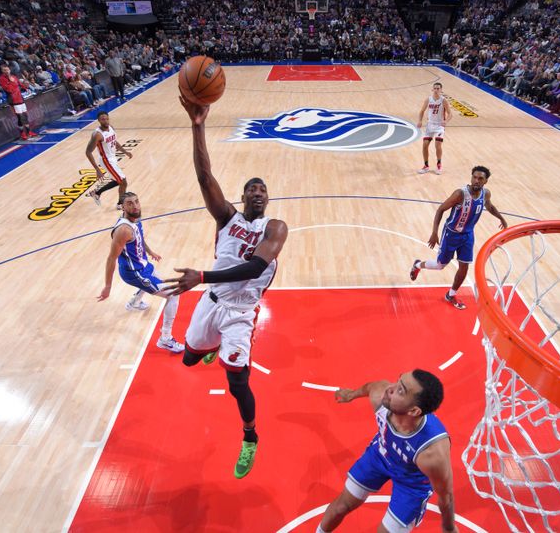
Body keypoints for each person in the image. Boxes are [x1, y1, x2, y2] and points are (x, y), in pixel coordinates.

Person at [163, 91, 289, 479]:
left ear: (267, 198)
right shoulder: (226, 218)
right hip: (210, 302)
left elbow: (252, 268)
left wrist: (200, 276)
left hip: (239, 313)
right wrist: (197, 126)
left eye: (262, 189)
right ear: (242, 196)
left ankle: (250, 436)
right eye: (251, 188)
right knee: (188, 357)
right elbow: (205, 176)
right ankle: (206, 347)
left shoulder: (275, 228)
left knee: (237, 380)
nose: (257, 192)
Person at [317, 370, 458, 533]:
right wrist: (351, 394)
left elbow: (445, 495)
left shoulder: (431, 452)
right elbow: (369, 387)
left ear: (413, 411)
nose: (390, 388)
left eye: (400, 390)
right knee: (340, 507)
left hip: (412, 483)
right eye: (398, 381)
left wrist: (449, 527)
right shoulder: (380, 395)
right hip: (381, 455)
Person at [97, 192, 185, 352]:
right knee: (173, 294)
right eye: (130, 203)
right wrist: (107, 286)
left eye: (137, 201)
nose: (135, 205)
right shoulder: (123, 230)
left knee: (156, 279)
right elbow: (111, 259)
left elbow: (139, 238)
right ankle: (165, 338)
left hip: (143, 265)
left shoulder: (135, 218)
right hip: (134, 272)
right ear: (122, 207)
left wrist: (150, 252)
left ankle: (134, 303)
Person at [410, 166, 507, 309]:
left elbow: (490, 206)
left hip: (468, 235)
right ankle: (417, 265)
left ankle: (451, 294)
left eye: (480, 178)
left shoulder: (485, 194)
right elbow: (441, 209)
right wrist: (434, 232)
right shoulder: (460, 194)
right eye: (474, 177)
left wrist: (501, 218)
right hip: (451, 234)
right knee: (440, 265)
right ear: (471, 177)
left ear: (486, 181)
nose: (476, 180)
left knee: (464, 267)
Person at [86, 111, 132, 210]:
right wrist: (97, 170)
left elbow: (114, 142)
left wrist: (125, 151)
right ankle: (120, 204)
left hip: (112, 159)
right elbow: (88, 152)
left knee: (117, 180)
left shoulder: (111, 127)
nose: (105, 121)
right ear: (98, 120)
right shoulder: (97, 134)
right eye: (103, 119)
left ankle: (97, 193)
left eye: (107, 118)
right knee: (123, 182)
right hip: (106, 160)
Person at [417, 82, 452, 174]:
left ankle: (439, 165)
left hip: (439, 126)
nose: (436, 90)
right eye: (435, 88)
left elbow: (450, 114)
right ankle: (426, 166)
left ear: (441, 90)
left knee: (437, 145)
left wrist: (446, 121)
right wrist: (420, 121)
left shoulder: (443, 100)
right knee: (424, 145)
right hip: (430, 125)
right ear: (432, 89)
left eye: (438, 89)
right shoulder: (428, 99)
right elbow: (421, 111)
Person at [0, 65, 37, 140]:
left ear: (9, 70)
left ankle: (29, 132)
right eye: (4, 70)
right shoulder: (1, 79)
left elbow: (19, 84)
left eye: (7, 70)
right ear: (2, 71)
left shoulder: (14, 76)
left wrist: (26, 88)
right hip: (13, 100)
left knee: (25, 116)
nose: (6, 71)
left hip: (20, 98)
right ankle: (22, 134)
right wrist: (11, 80)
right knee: (20, 118)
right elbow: (9, 89)